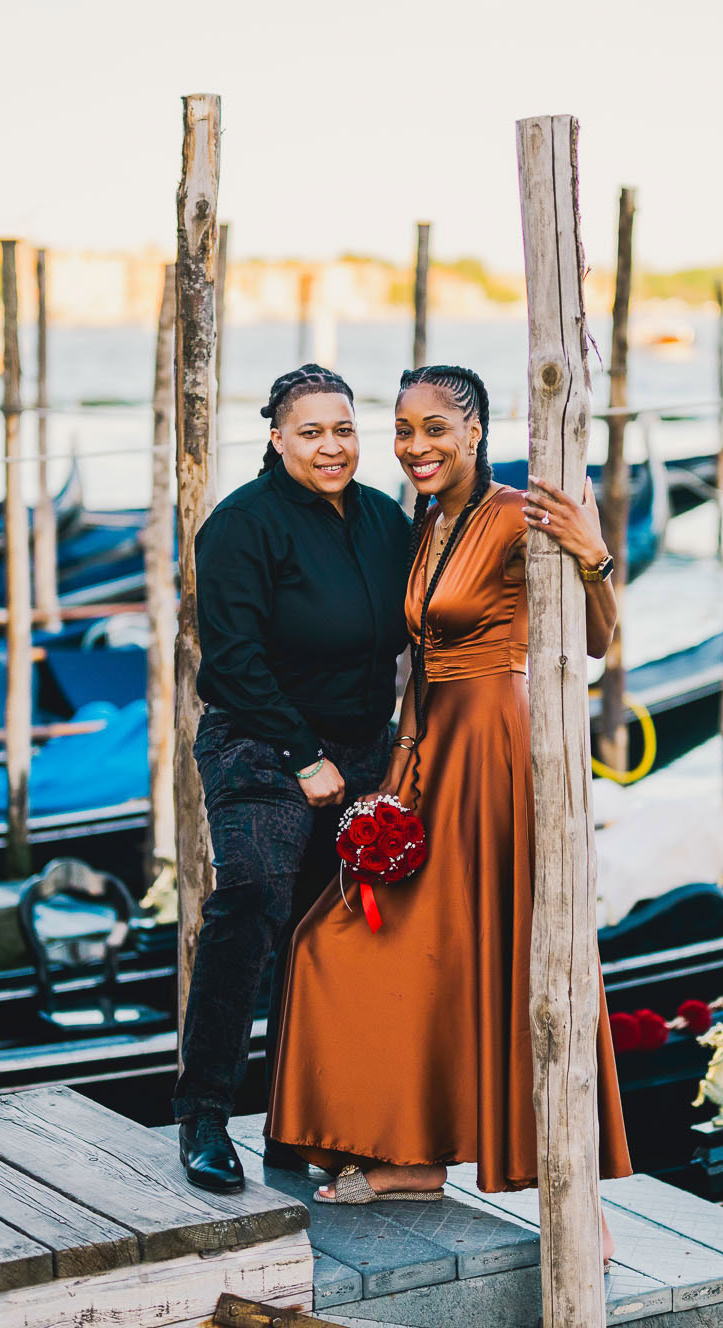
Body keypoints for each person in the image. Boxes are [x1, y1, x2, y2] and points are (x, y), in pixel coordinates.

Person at [267, 365, 632, 1221]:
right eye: (402, 430)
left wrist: (593, 555)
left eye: (434, 428)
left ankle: (575, 1199)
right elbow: (420, 661)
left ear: (475, 432)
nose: (415, 446)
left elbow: (596, 643)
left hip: (498, 752)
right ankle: (413, 1153)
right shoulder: (424, 522)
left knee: (510, 951)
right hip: (428, 750)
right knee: (342, 938)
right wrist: (399, 769)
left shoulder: (515, 513)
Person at [175, 363, 413, 1193]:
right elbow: (233, 662)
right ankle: (204, 1112)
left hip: (361, 750)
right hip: (259, 744)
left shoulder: (387, 520)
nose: (331, 446)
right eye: (310, 431)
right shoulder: (240, 526)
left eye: (343, 429)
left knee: (331, 936)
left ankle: (295, 1122)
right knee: (253, 903)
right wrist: (305, 758)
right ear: (276, 438)